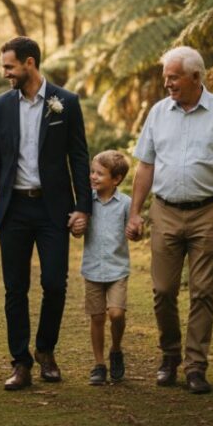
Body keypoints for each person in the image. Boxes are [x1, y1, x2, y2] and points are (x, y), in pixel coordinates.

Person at [125, 46, 213, 394]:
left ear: (196, 77)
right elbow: (145, 165)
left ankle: (196, 365)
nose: (167, 83)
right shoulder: (158, 113)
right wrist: (135, 212)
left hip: (207, 213)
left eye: (174, 77)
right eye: (165, 77)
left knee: (203, 293)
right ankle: (169, 355)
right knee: (163, 290)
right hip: (164, 211)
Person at [0, 36, 91, 390]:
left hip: (53, 208)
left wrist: (82, 208)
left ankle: (46, 350)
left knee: (55, 283)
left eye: (9, 66)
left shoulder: (66, 102)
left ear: (29, 63)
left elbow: (79, 158)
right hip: (14, 209)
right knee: (15, 288)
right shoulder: (1, 105)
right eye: (3, 67)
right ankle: (21, 362)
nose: (5, 73)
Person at [81, 150, 132, 386]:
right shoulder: (85, 201)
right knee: (98, 317)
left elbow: (134, 232)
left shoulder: (125, 204)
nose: (93, 177)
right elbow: (76, 226)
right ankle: (99, 364)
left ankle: (116, 349)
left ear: (116, 179)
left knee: (116, 314)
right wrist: (75, 225)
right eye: (92, 172)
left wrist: (137, 232)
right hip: (92, 268)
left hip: (117, 269)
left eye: (100, 174)